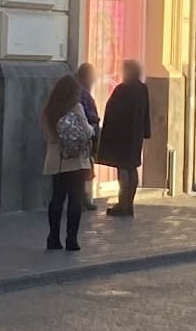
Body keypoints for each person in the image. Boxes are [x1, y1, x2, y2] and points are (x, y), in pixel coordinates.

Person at [41, 74, 93, 251]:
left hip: (56, 160)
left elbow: (48, 133)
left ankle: (53, 238)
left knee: (57, 198)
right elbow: (87, 131)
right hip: (75, 160)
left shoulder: (49, 110)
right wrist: (91, 129)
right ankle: (72, 240)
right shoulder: (76, 107)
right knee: (75, 200)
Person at [96, 60, 151, 217]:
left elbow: (113, 112)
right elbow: (146, 113)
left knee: (123, 168)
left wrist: (108, 133)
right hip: (135, 136)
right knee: (132, 168)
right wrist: (146, 132)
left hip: (122, 136)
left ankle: (123, 204)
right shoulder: (142, 89)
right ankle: (129, 203)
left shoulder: (123, 89)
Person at [76, 63, 101, 211]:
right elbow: (88, 114)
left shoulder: (80, 90)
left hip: (81, 133)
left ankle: (83, 196)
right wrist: (95, 122)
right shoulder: (83, 93)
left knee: (84, 166)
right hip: (85, 134)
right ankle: (84, 197)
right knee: (85, 167)